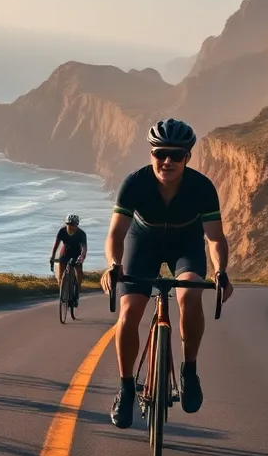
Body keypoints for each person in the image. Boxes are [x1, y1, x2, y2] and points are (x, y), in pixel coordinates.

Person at [100, 118, 235, 429]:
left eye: (176, 155)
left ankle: (189, 370)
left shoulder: (201, 187)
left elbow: (215, 238)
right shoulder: (135, 183)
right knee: (129, 312)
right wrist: (113, 264)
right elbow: (116, 233)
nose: (167, 161)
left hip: (185, 244)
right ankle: (125, 388)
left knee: (190, 295)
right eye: (160, 153)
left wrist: (222, 271)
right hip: (142, 241)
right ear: (151, 154)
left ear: (188, 157)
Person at [51, 214, 88, 297]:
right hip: (65, 252)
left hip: (77, 253)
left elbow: (84, 247)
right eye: (68, 225)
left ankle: (77, 291)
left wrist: (82, 256)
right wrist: (52, 257)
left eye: (72, 225)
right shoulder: (62, 231)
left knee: (79, 272)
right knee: (61, 273)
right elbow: (56, 245)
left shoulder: (81, 234)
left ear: (76, 225)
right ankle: (62, 291)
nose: (70, 227)